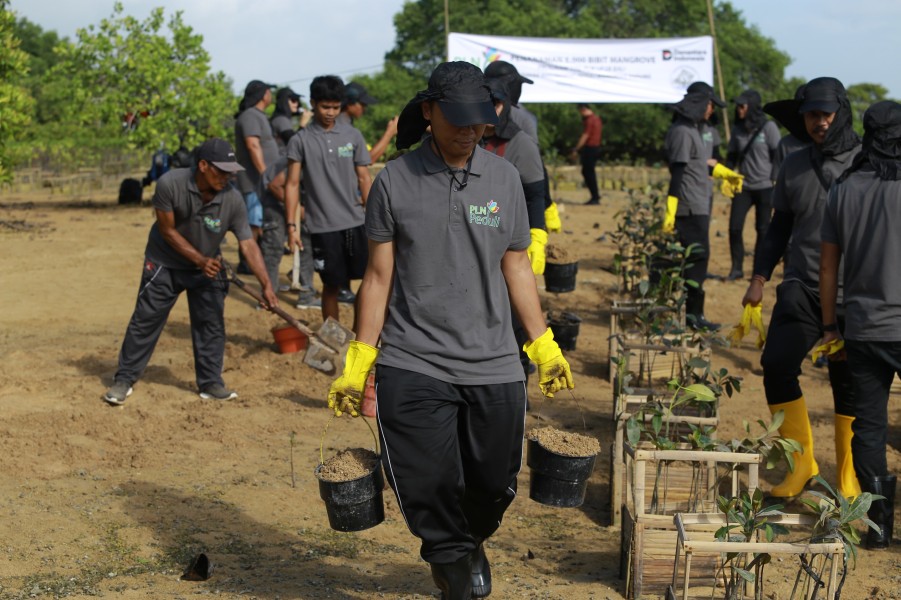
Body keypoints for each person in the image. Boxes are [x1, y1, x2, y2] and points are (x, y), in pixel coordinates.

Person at [326, 61, 574, 600]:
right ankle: (451, 568)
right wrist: (359, 359)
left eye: (479, 121)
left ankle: (470, 539)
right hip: (414, 359)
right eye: (458, 120)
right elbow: (377, 275)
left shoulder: (504, 179)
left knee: (491, 484)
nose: (470, 131)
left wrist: (542, 343)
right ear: (429, 112)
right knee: (427, 481)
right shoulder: (394, 181)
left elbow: (516, 267)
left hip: (493, 361)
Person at [740, 77, 861, 499]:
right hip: (803, 284)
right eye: (812, 114)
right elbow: (778, 228)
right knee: (776, 364)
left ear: (841, 112)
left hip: (856, 291)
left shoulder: (869, 162)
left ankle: (849, 478)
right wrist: (758, 279)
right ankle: (800, 465)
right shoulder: (793, 164)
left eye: (827, 113)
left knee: (848, 381)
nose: (820, 122)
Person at [102, 138, 278, 405]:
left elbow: (248, 243)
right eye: (222, 170)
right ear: (203, 165)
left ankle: (210, 383)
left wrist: (266, 283)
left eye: (231, 171)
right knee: (145, 321)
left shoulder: (232, 199)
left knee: (211, 325)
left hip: (207, 268)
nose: (227, 177)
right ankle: (124, 380)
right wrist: (199, 259)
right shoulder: (170, 184)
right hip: (164, 263)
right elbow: (167, 231)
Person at [819, 100, 901, 548]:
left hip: (864, 328)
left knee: (868, 427)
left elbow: (828, 269)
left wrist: (831, 327)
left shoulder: (844, 189)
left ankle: (878, 527)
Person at [284, 75, 372, 324]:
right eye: (325, 107)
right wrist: (291, 227)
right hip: (323, 227)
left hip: (356, 222)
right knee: (331, 287)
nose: (331, 112)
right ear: (313, 103)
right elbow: (291, 185)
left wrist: (375, 216)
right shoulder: (300, 140)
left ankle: (359, 334)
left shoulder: (353, 136)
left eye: (335, 107)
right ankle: (333, 340)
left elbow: (364, 179)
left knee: (366, 282)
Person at [663, 87, 737, 330]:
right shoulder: (683, 131)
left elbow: (698, 164)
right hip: (689, 205)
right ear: (700, 104)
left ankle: (696, 315)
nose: (712, 109)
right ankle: (693, 318)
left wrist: (725, 173)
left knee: (699, 259)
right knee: (696, 259)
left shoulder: (692, 129)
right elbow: (679, 171)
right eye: (710, 104)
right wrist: (671, 208)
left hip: (700, 202)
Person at [724, 90, 781, 281]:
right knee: (734, 227)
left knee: (763, 229)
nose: (738, 109)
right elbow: (731, 157)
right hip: (744, 186)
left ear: (752, 107)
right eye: (737, 106)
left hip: (765, 186)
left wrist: (775, 179)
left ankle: (758, 271)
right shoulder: (738, 130)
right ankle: (736, 268)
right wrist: (726, 175)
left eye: (742, 106)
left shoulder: (768, 128)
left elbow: (777, 156)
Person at [235, 80, 280, 271]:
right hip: (255, 182)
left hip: (261, 182)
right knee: (254, 223)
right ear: (264, 95)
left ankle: (252, 260)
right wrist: (265, 174)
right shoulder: (250, 116)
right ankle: (246, 262)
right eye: (269, 91)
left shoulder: (257, 115)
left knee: (258, 223)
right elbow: (253, 145)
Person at [340, 81, 399, 164]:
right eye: (363, 104)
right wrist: (389, 132)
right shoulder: (342, 128)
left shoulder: (342, 124)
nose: (365, 108)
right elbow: (367, 160)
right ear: (350, 104)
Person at [570, 104, 602, 205]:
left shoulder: (589, 120)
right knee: (589, 171)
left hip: (590, 148)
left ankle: (595, 196)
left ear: (583, 110)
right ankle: (595, 195)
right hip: (596, 147)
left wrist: (576, 148)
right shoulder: (597, 119)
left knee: (588, 172)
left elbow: (585, 135)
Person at [270, 87, 307, 155]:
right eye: (293, 100)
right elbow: (294, 141)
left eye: (297, 101)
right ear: (284, 102)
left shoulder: (284, 119)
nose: (296, 104)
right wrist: (302, 124)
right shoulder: (281, 119)